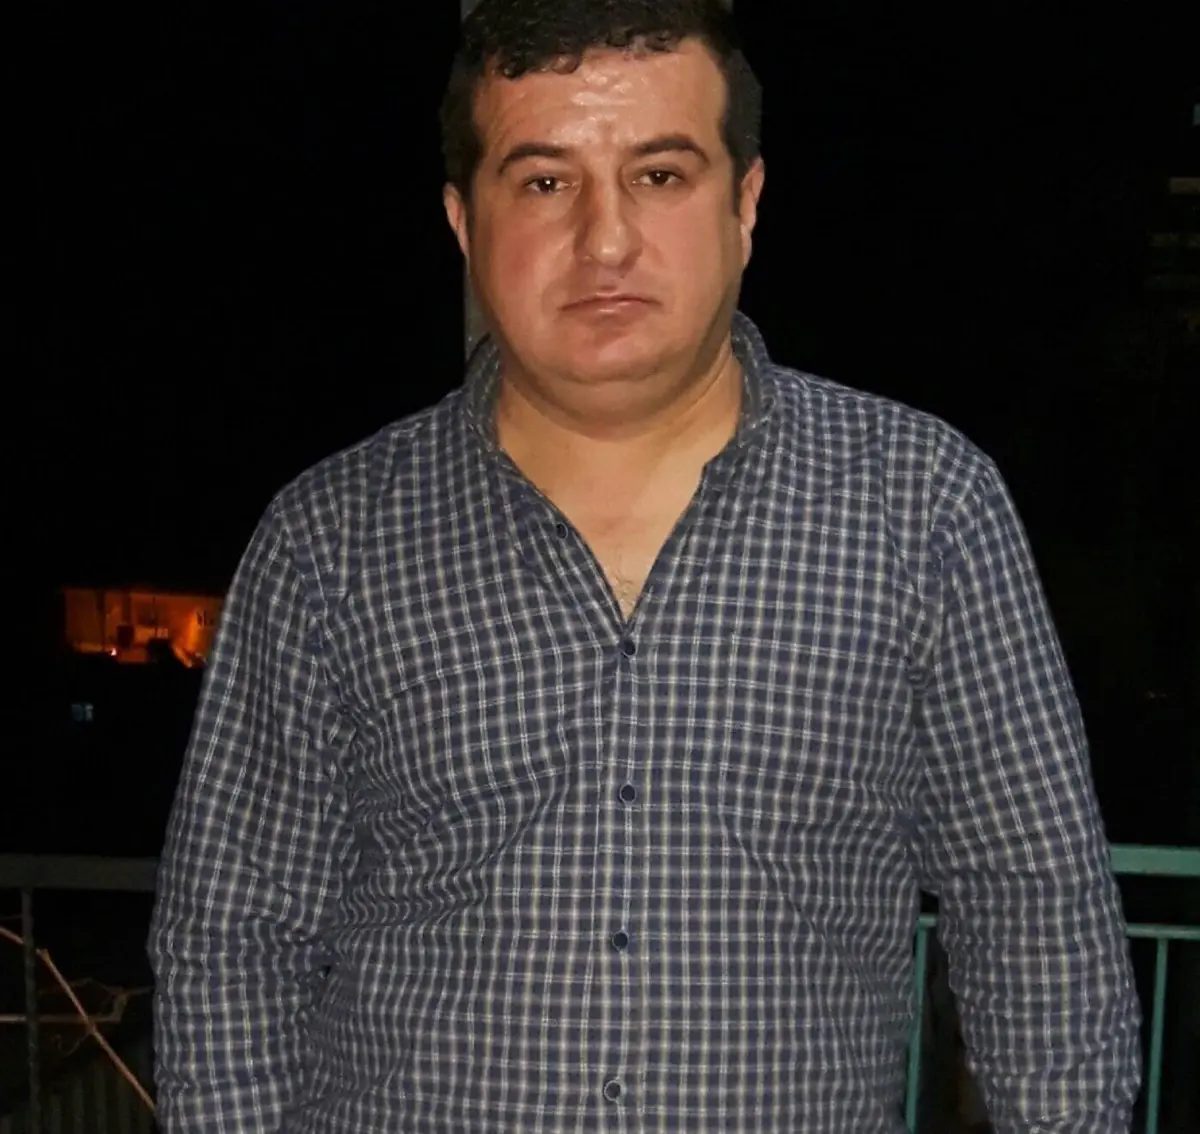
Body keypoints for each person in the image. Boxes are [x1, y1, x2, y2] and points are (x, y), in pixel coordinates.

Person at [147, 1, 1142, 1129]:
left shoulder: (925, 508)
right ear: (464, 221)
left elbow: (1033, 909)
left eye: (660, 176)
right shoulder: (327, 541)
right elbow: (235, 937)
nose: (605, 240)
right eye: (544, 182)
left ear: (745, 203)